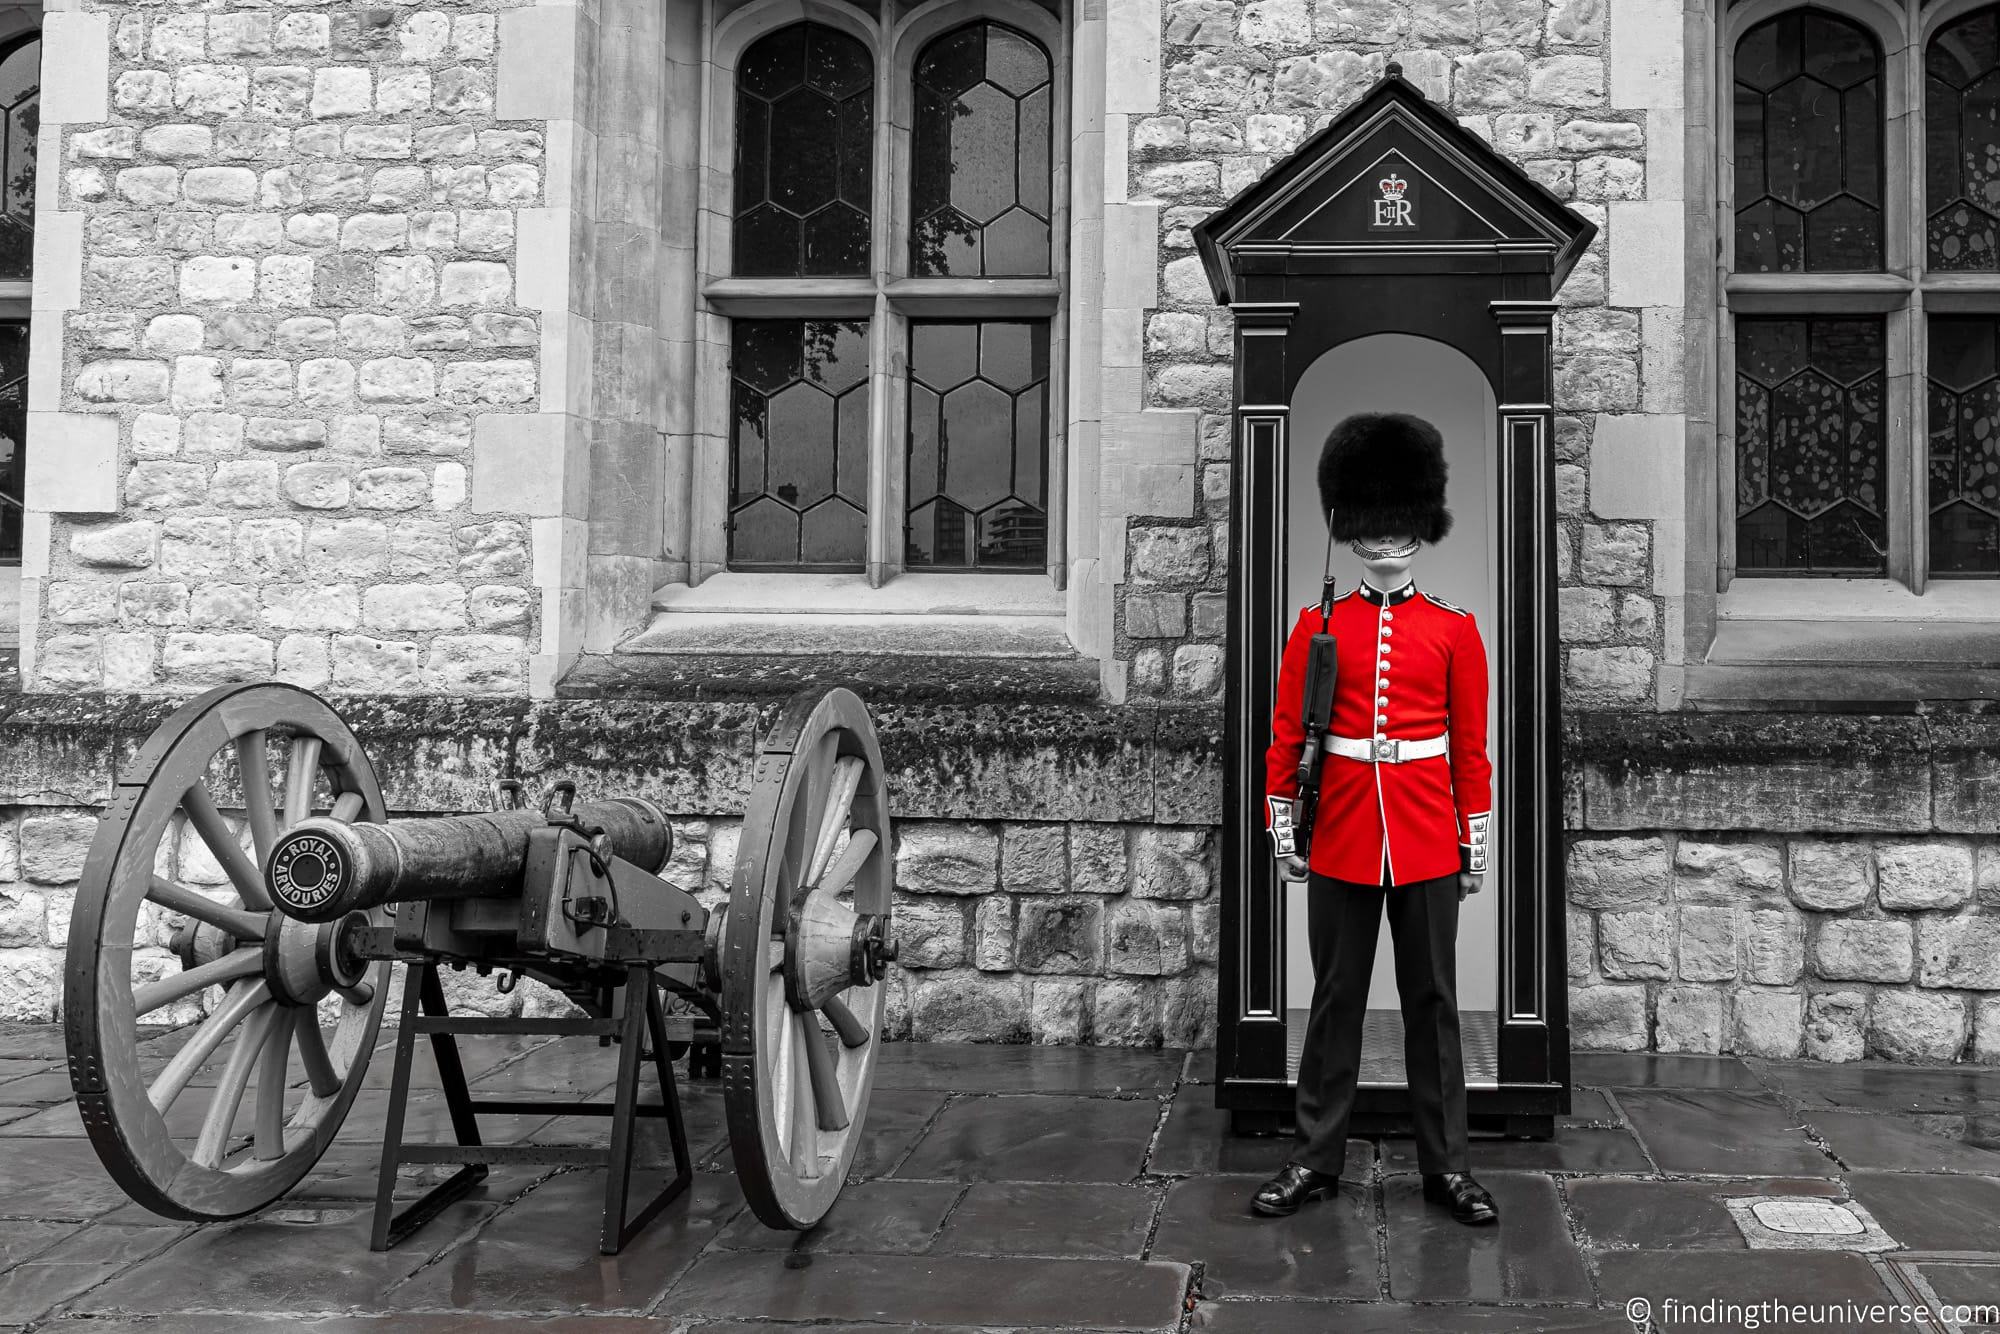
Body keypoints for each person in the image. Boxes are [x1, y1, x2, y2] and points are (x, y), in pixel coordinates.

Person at [1249, 412, 1499, 1227]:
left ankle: (1448, 1168)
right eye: (1373, 525)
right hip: (1344, 832)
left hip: (1426, 834)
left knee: (1432, 1003)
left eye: (1399, 524)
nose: (1387, 540)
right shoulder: (1318, 625)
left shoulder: (1456, 630)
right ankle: (1315, 1156)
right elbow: (1286, 737)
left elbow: (1470, 752)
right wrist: (1286, 831)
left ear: (1420, 527)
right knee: (1334, 1000)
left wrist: (1475, 843)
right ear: (1352, 530)